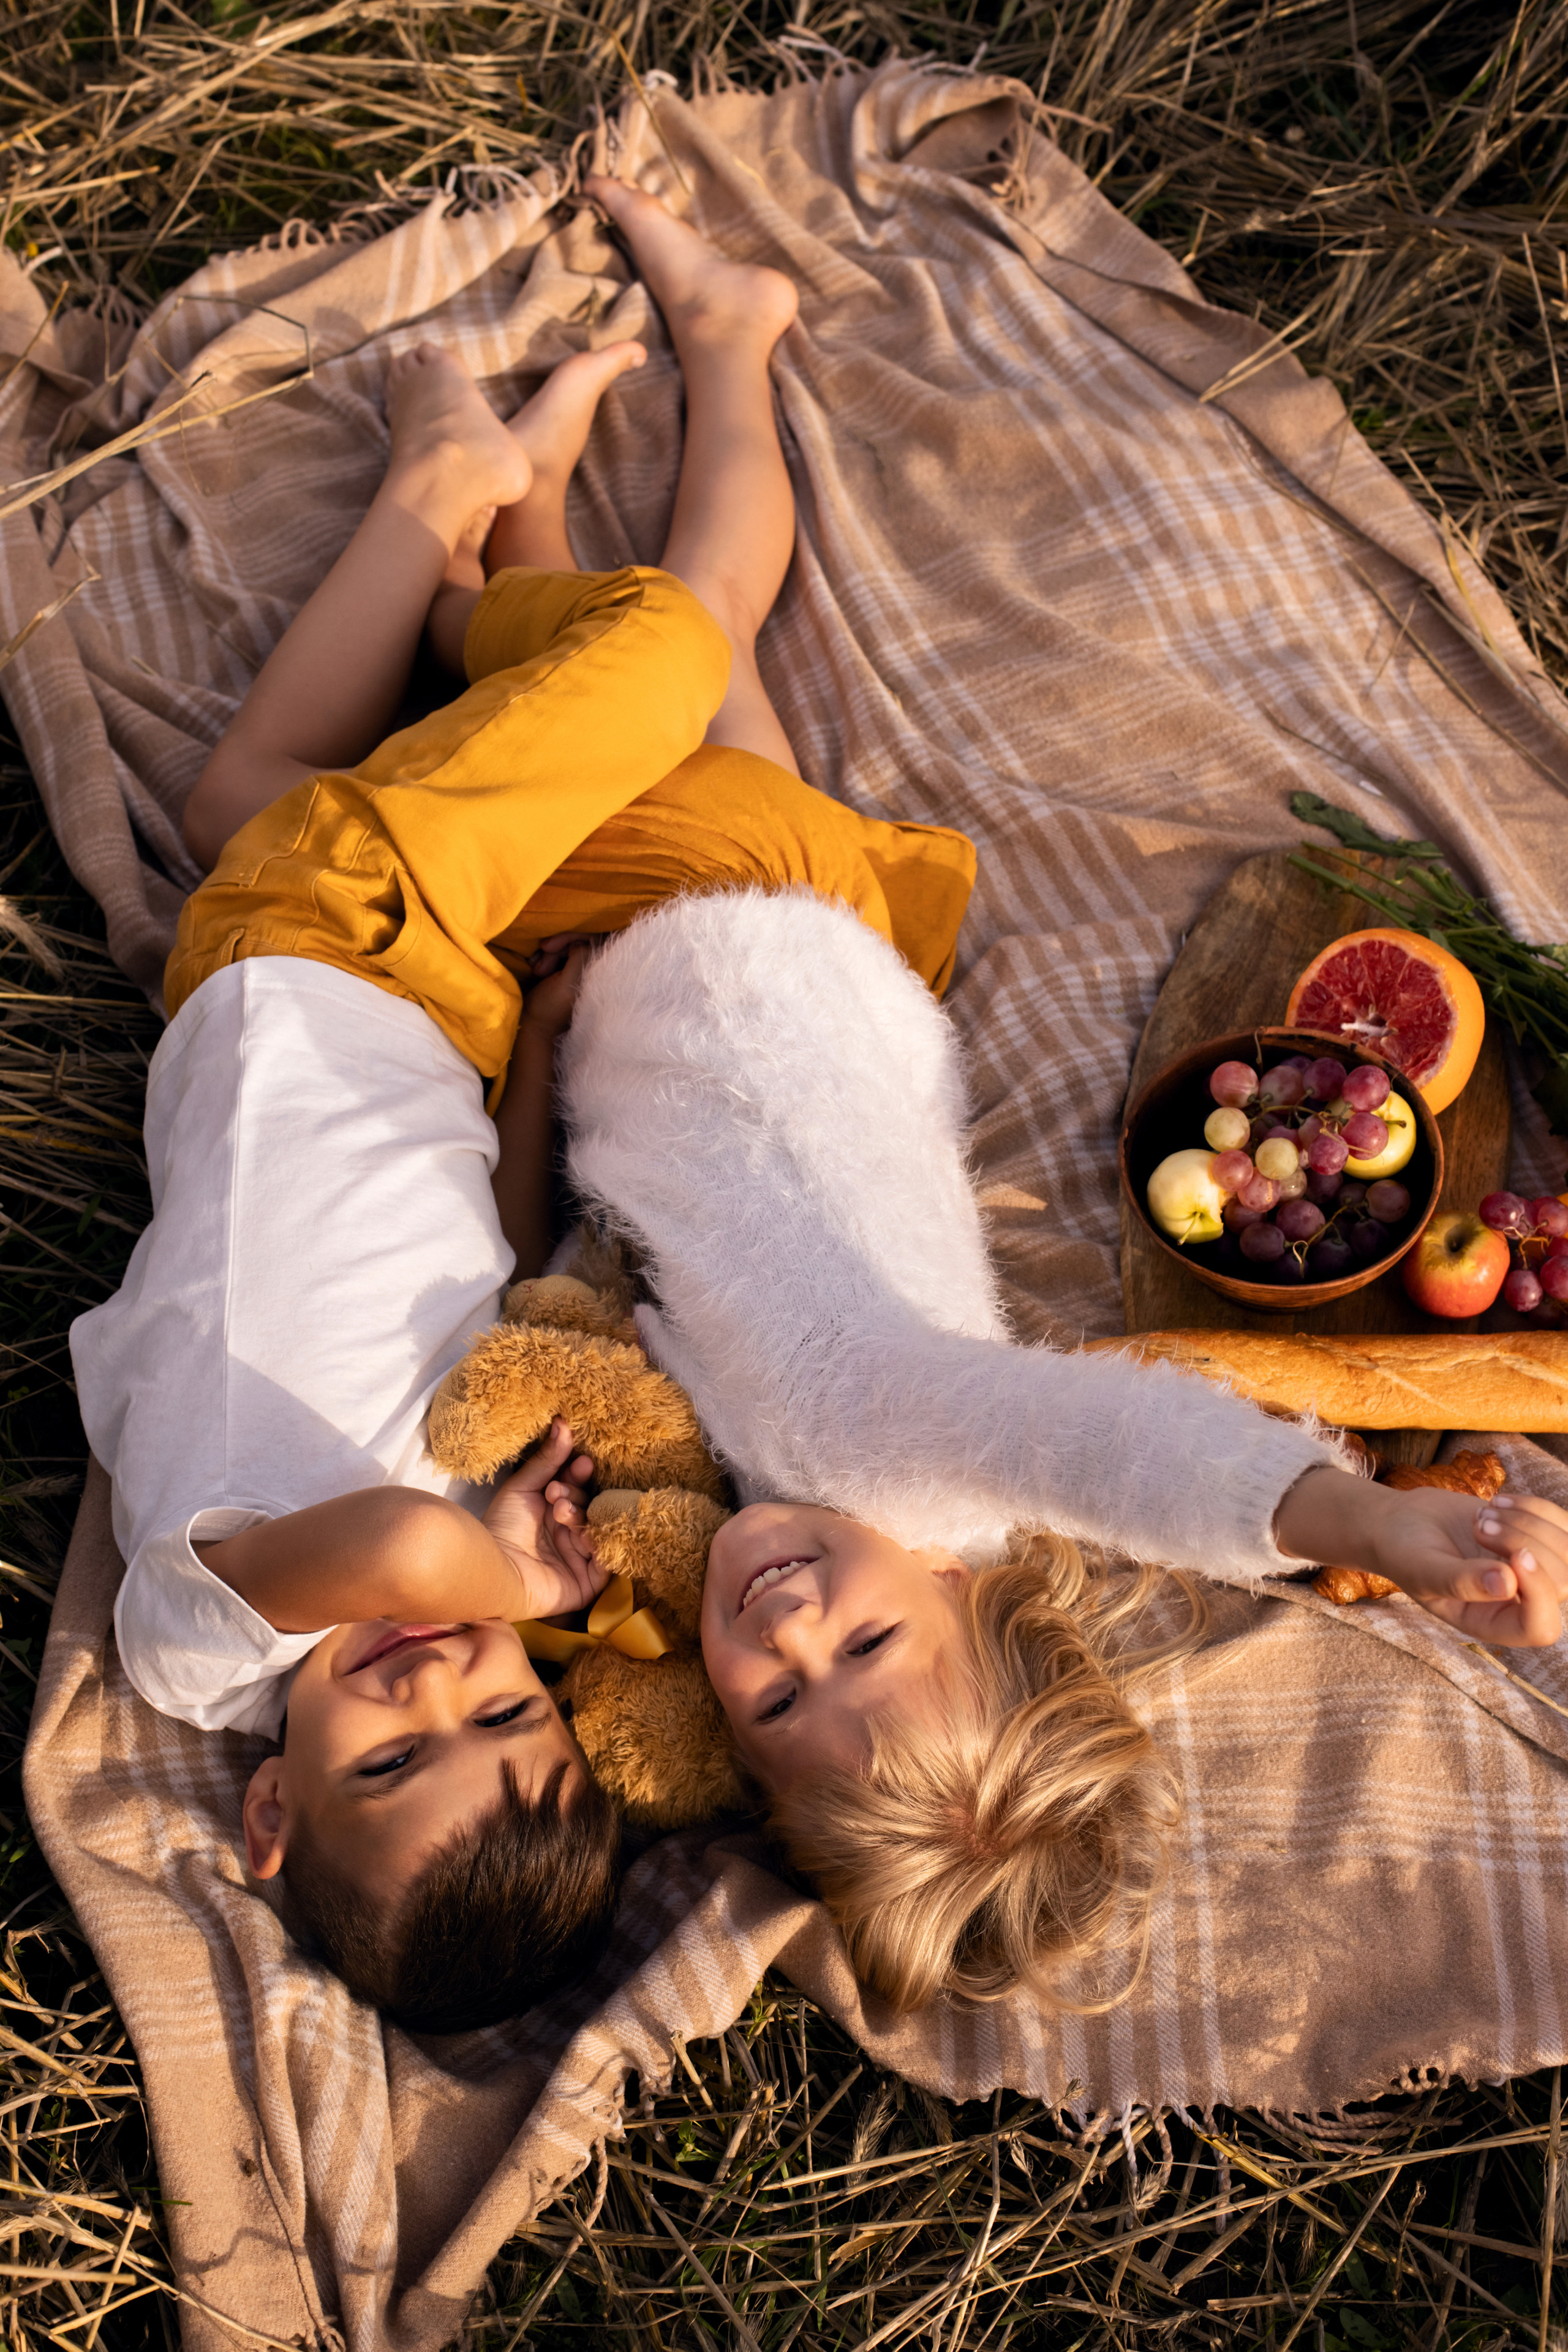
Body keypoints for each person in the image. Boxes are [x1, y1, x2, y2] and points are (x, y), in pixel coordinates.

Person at [70, 176, 974, 2030]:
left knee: (668, 650)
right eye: (505, 1712)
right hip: (426, 1008)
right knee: (251, 789)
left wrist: (514, 1586)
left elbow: (404, 1559)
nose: (436, 1676)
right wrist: (545, 1053)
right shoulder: (454, 1527)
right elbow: (479, 1280)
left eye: (394, 1760)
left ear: (268, 1815)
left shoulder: (202, 1648)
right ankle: (468, 494)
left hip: (317, 957)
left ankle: (472, 530)